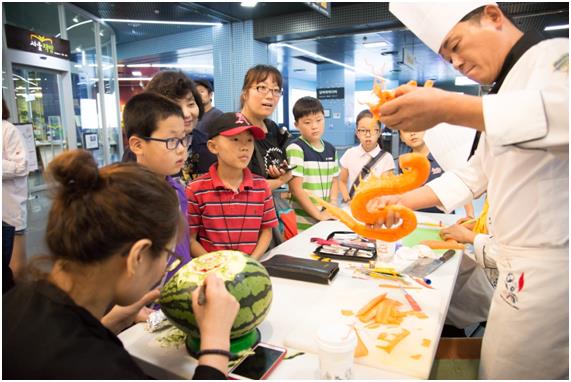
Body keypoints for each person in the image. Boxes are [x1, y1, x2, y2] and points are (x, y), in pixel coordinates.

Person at [370, 3, 568, 379]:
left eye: (456, 45)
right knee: (495, 368)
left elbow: (562, 114)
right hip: (515, 267)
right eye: (446, 56)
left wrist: (448, 107)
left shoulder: (554, 56)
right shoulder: (504, 87)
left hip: (551, 270)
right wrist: (401, 200)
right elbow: (473, 174)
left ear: (493, 16)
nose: (455, 62)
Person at [3, 149, 239, 379]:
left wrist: (106, 325)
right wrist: (216, 343)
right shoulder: (99, 369)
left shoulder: (20, 298)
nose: (167, 265)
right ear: (138, 256)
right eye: (168, 255)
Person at [186, 112, 278, 260]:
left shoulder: (261, 186)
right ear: (213, 146)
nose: (245, 147)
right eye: (235, 139)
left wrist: (251, 262)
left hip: (251, 269)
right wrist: (216, 265)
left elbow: (267, 231)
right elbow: (190, 239)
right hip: (212, 272)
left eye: (249, 140)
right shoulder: (195, 189)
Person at [123, 92, 191, 281]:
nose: (181, 149)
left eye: (183, 139)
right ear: (137, 145)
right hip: (143, 302)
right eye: (171, 141)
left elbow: (183, 247)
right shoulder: (127, 199)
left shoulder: (178, 191)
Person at [123, 71, 204, 185]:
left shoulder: (208, 143)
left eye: (190, 104)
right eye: (176, 107)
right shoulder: (141, 151)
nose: (186, 114)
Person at [286, 97, 340, 232]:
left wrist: (332, 204)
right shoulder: (296, 149)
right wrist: (318, 215)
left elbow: (334, 181)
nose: (314, 126)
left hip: (326, 218)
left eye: (319, 120)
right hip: (303, 221)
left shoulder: (331, 149)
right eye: (307, 122)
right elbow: (296, 189)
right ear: (296, 125)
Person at [239, 64, 292, 190]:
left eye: (276, 90)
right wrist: (281, 180)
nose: (270, 96)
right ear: (245, 93)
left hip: (272, 206)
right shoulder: (237, 130)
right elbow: (242, 186)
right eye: (262, 87)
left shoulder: (272, 127)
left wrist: (279, 170)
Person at [398, 129, 474, 217]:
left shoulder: (442, 156)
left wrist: (470, 214)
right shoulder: (404, 162)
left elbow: (460, 184)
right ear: (401, 137)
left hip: (444, 217)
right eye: (406, 130)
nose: (412, 133)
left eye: (417, 128)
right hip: (415, 217)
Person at [339, 109, 394, 203]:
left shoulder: (386, 158)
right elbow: (342, 181)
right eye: (363, 130)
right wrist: (348, 200)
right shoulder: (349, 154)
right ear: (357, 133)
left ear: (379, 132)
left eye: (372, 130)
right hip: (353, 207)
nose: (368, 135)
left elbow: (387, 188)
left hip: (376, 208)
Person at [2, 99, 28, 291]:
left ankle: (19, 311)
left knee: (15, 271)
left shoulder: (7, 129)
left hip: (8, 213)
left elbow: (21, 166)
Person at [193, 79, 223, 174]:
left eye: (201, 91)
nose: (198, 95)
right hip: (193, 163)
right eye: (196, 93)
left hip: (209, 164)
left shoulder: (218, 115)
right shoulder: (193, 116)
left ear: (210, 95)